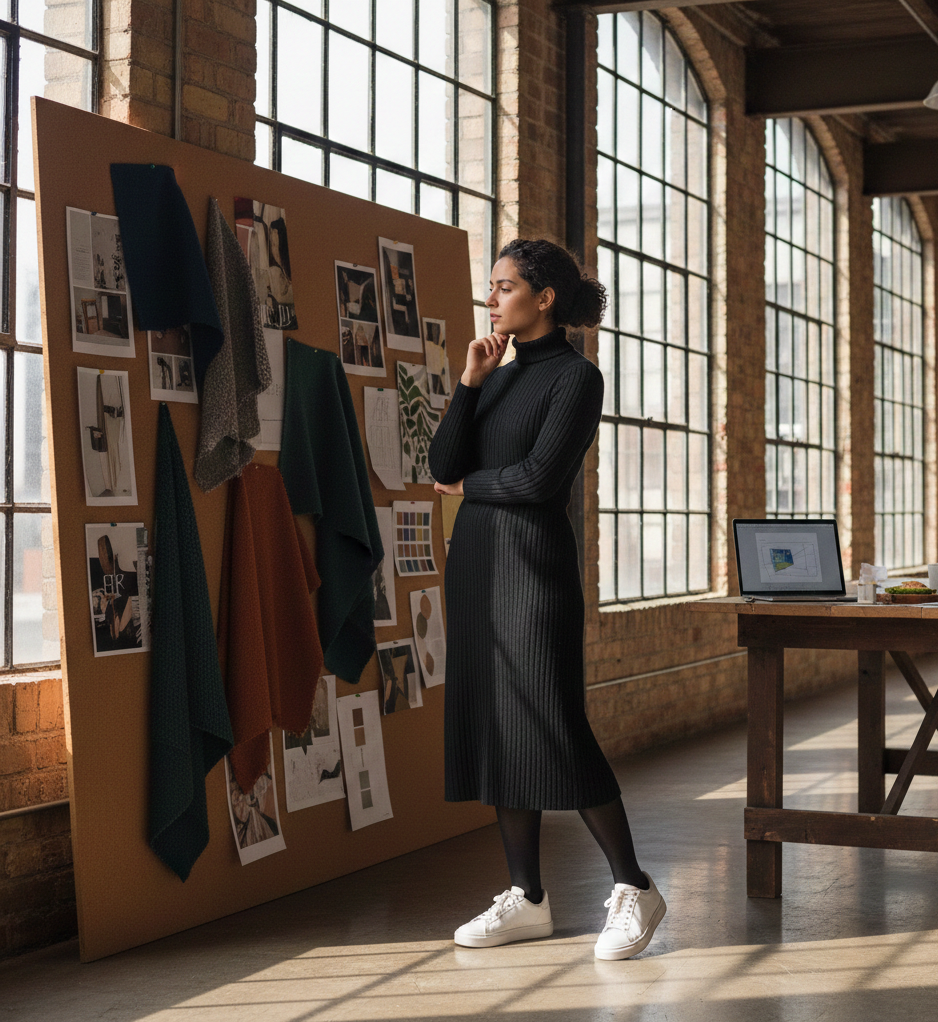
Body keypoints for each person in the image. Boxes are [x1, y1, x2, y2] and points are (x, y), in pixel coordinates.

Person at [428, 239, 666, 961]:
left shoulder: (576, 379)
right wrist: (469, 383)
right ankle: (527, 897)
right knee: (500, 728)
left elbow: (536, 480)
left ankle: (637, 888)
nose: (492, 299)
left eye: (504, 287)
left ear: (544, 297)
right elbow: (440, 464)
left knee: (555, 726)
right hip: (474, 567)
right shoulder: (493, 376)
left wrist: (472, 488)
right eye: (492, 287)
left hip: (533, 572)